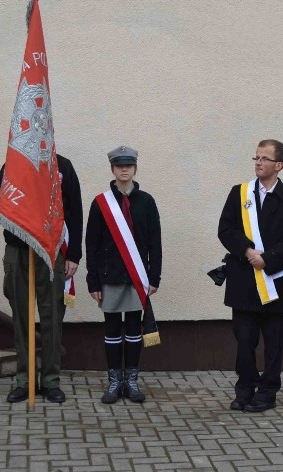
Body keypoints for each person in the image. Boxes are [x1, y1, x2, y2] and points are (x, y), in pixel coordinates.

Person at [217, 139, 283, 413]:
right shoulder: (239, 193)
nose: (258, 162)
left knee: (273, 343)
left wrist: (265, 259)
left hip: (273, 282)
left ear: (278, 165)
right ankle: (244, 390)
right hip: (243, 280)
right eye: (256, 157)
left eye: (265, 159)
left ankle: (267, 392)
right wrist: (246, 250)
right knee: (244, 340)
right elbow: (225, 229)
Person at [0, 153, 83, 403]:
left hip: (52, 252)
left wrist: (74, 254)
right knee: (22, 317)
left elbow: (74, 210)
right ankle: (25, 380)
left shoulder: (63, 166)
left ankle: (51, 380)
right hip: (18, 251)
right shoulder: (12, 163)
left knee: (52, 316)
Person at [86, 146, 162, 404]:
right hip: (109, 276)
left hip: (136, 277)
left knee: (133, 328)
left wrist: (155, 278)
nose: (124, 169)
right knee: (111, 329)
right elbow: (92, 245)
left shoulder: (147, 202)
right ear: (113, 169)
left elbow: (155, 243)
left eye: (128, 165)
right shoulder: (100, 203)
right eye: (119, 165)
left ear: (135, 168)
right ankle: (114, 381)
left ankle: (131, 380)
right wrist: (92, 280)